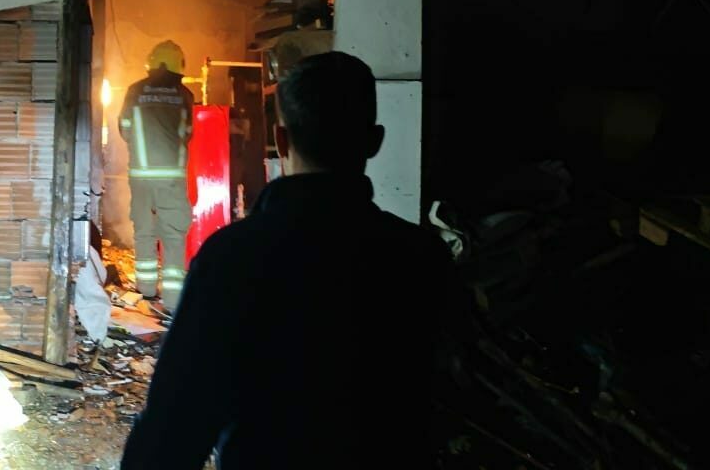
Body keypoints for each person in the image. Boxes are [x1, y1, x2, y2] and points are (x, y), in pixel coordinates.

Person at [121, 51, 461, 469]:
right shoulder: (423, 259)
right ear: (375, 141)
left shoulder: (232, 257)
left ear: (281, 141)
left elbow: (173, 430)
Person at [119, 40, 195, 313]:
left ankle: (146, 292)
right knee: (173, 235)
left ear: (152, 63)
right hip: (171, 178)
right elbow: (188, 132)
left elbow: (125, 128)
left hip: (141, 176)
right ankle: (173, 303)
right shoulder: (184, 94)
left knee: (144, 231)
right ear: (178, 65)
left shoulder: (134, 90)